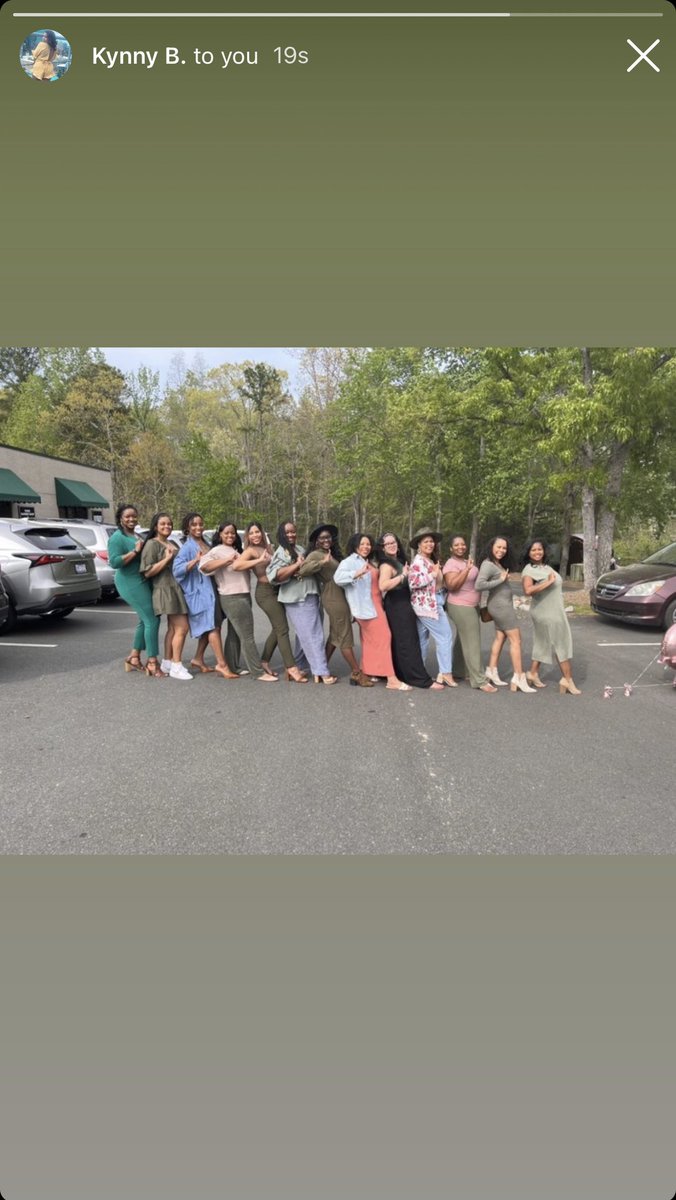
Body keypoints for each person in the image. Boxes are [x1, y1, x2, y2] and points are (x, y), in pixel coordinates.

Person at [199, 521, 277, 682]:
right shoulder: (217, 551)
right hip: (232, 596)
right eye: (226, 533)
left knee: (235, 634)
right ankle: (258, 672)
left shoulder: (236, 550)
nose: (230, 535)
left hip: (243, 594)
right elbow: (204, 566)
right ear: (220, 534)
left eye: (232, 533)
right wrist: (226, 561)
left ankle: (233, 665)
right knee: (247, 635)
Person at [298, 524, 373, 687]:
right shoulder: (316, 554)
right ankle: (356, 673)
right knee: (344, 635)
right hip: (332, 596)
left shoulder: (331, 553)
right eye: (322, 537)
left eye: (328, 537)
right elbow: (302, 570)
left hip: (341, 595)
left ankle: (320, 668)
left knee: (335, 634)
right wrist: (322, 564)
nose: (326, 540)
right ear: (316, 540)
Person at [335, 533, 410, 690]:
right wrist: (356, 573)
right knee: (384, 637)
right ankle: (391, 679)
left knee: (369, 640)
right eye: (362, 544)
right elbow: (338, 578)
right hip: (367, 606)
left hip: (374, 603)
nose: (365, 547)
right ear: (355, 545)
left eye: (368, 544)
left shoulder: (368, 561)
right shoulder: (349, 561)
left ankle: (368, 671)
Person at [266, 521, 337, 684]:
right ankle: (321, 672)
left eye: (293, 532)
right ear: (281, 534)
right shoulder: (281, 553)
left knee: (303, 635)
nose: (291, 535)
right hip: (297, 598)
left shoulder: (298, 549)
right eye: (287, 532)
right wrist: (297, 566)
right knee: (313, 635)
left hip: (311, 595)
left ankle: (299, 666)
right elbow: (275, 576)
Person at [237, 520, 306, 682]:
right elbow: (237, 565)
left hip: (278, 590)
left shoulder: (270, 548)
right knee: (282, 629)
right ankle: (291, 667)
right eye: (252, 533)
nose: (255, 535)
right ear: (248, 535)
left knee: (277, 629)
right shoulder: (250, 550)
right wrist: (258, 561)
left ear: (262, 533)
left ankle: (264, 661)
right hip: (264, 592)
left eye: (257, 531)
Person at [172, 512, 238, 680]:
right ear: (187, 527)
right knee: (212, 627)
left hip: (213, 590)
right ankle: (222, 665)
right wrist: (194, 561)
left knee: (212, 626)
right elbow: (177, 571)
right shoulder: (187, 547)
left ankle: (198, 658)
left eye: (200, 524)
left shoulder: (205, 542)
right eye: (194, 525)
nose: (198, 527)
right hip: (200, 593)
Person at [375, 533, 442, 690]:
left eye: (394, 542)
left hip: (404, 601)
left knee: (404, 641)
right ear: (382, 548)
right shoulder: (386, 565)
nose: (392, 545)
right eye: (388, 543)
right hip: (396, 603)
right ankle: (419, 679)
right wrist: (403, 575)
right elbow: (383, 586)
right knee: (407, 642)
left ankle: (404, 674)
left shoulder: (397, 561)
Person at [107, 503, 164, 677]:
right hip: (128, 581)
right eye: (127, 517)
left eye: (134, 516)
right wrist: (134, 551)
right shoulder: (117, 537)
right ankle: (152, 661)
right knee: (152, 620)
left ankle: (134, 657)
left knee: (145, 620)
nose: (131, 519)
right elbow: (114, 562)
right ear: (120, 519)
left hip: (141, 579)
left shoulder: (136, 534)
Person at [476, 536, 536, 693]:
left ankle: (492, 670)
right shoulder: (488, 564)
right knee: (516, 640)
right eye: (499, 547)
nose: (501, 550)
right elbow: (479, 585)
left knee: (500, 637)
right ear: (491, 546)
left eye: (504, 548)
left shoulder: (496, 563)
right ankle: (519, 677)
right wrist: (501, 579)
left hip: (502, 605)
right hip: (501, 607)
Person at [521, 538, 580, 694]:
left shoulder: (547, 567)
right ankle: (567, 680)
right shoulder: (528, 570)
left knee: (543, 642)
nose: (537, 552)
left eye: (539, 549)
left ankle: (532, 673)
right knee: (562, 642)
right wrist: (547, 583)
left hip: (555, 609)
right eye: (533, 550)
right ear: (528, 553)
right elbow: (527, 591)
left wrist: (550, 581)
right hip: (544, 612)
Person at [140, 513, 192, 681]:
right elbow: (148, 572)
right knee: (182, 628)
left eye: (169, 524)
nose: (167, 527)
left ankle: (167, 662)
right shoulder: (151, 544)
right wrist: (167, 559)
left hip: (176, 588)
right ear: (155, 526)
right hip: (164, 589)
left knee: (173, 628)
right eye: (163, 524)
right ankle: (177, 666)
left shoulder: (170, 542)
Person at [443, 534, 497, 693]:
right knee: (472, 640)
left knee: (463, 638)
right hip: (459, 605)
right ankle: (479, 680)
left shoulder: (467, 562)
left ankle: (459, 670)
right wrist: (466, 570)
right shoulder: (451, 564)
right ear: (451, 548)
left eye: (463, 544)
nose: (461, 547)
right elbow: (452, 585)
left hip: (472, 605)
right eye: (457, 545)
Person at [408, 528, 456, 688]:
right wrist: (432, 575)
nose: (430, 544)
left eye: (431, 541)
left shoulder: (430, 560)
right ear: (419, 545)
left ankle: (418, 673)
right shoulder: (418, 562)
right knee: (445, 636)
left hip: (430, 603)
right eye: (426, 542)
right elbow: (413, 583)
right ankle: (445, 672)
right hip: (428, 605)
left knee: (422, 640)